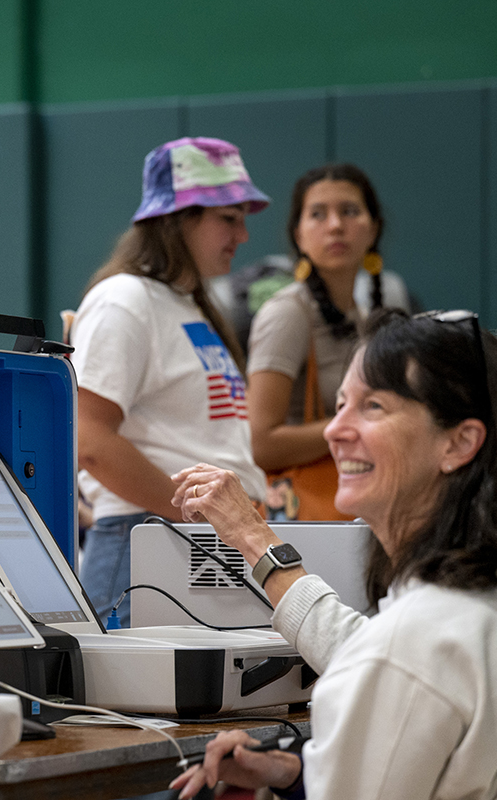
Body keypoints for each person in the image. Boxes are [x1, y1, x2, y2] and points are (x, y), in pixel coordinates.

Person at [170, 308, 497, 799]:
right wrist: (296, 772)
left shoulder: (415, 642)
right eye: (340, 403)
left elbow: (391, 662)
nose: (333, 430)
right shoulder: (465, 609)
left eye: (373, 407)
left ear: (460, 441)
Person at [71, 137, 270, 624]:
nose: (242, 235)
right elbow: (89, 438)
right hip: (149, 544)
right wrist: (196, 515)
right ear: (178, 219)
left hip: (193, 542)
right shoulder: (125, 300)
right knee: (133, 702)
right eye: (229, 217)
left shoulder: (184, 304)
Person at [246, 165, 387, 510]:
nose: (336, 225)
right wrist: (356, 425)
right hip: (301, 511)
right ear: (299, 235)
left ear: (373, 229)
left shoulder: (363, 314)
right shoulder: (289, 313)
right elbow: (259, 443)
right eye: (318, 215)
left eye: (350, 211)